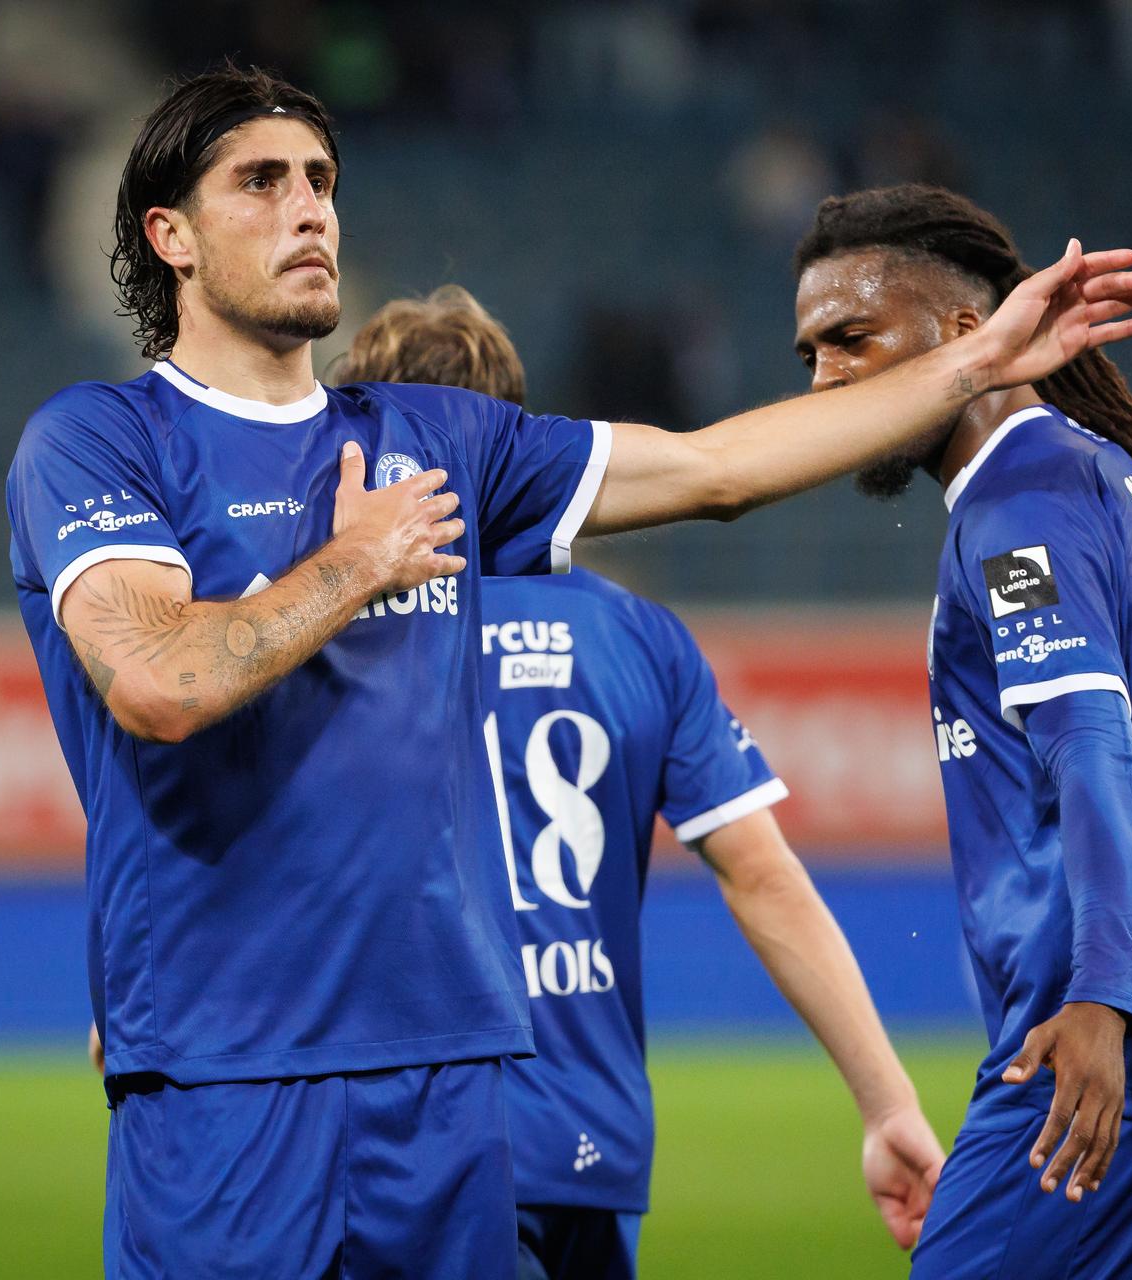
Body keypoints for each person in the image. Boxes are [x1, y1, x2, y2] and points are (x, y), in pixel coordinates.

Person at [4, 65, 1132, 1277]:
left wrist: (968, 369)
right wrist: (351, 564)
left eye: (322, 181)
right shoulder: (98, 442)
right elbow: (157, 682)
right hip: (220, 1077)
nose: (310, 210)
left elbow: (717, 468)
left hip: (446, 1089)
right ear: (169, 236)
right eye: (261, 181)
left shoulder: (436, 437)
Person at [335, 285, 948, 1278]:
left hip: (420, 1150)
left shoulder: (341, 634)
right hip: (593, 1141)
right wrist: (889, 1102)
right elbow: (764, 875)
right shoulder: (638, 635)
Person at [786, 184, 1132, 1277]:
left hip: (1116, 1044)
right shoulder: (1119, 483)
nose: (824, 380)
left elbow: (1093, 746)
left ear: (965, 333)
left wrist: (1098, 996)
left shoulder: (1018, 504)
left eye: (851, 339)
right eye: (810, 353)